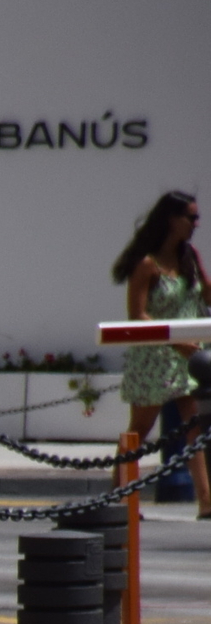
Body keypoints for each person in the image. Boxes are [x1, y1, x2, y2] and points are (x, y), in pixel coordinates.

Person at [109, 191, 211, 517]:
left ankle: (207, 501)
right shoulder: (147, 264)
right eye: (190, 217)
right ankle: (123, 496)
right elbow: (137, 314)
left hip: (192, 355)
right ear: (172, 220)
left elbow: (205, 295)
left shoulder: (189, 257)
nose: (196, 223)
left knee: (195, 428)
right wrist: (173, 340)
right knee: (139, 429)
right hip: (156, 355)